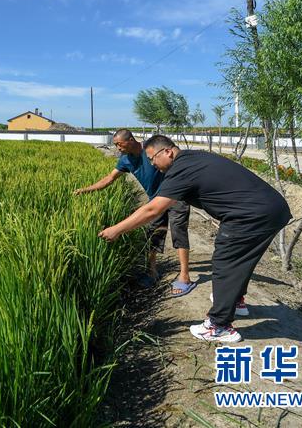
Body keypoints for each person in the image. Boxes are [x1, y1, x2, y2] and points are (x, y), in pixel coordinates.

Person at [98, 135, 291, 342]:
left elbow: (153, 209)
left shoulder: (180, 170)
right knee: (240, 261)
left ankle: (218, 325)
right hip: (272, 209)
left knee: (225, 262)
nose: (152, 164)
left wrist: (116, 230)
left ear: (168, 152)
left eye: (152, 159)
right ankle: (236, 302)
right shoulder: (191, 159)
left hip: (250, 215)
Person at [74, 129, 194, 296]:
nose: (118, 148)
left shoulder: (151, 150)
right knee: (153, 233)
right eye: (115, 145)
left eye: (119, 144)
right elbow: (109, 178)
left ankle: (184, 275)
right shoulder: (125, 160)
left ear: (131, 140)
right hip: (155, 200)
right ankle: (152, 272)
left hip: (176, 196)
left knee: (178, 231)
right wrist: (86, 190)